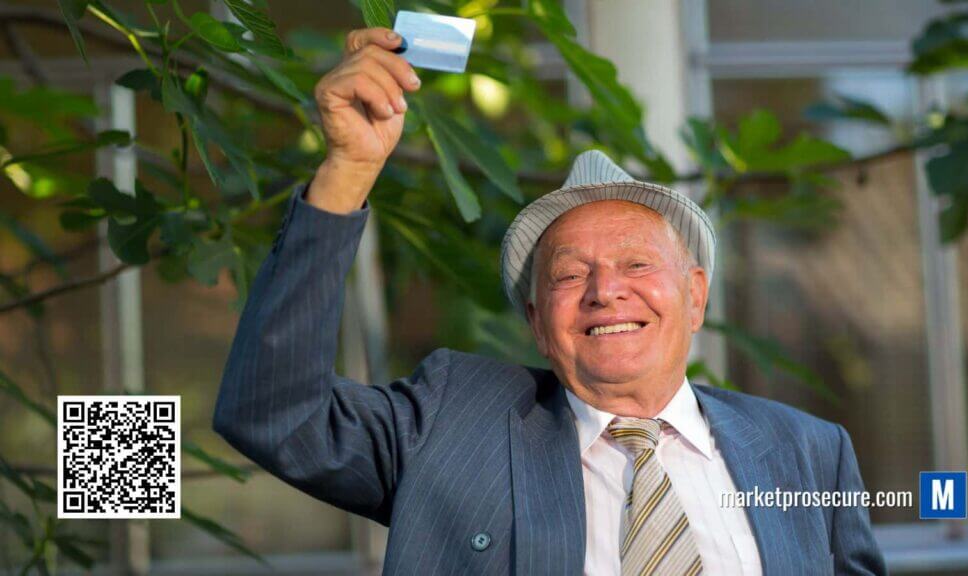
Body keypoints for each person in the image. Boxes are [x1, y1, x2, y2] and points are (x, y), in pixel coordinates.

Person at [214, 26, 886, 576]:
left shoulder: (807, 450)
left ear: (696, 296)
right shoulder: (453, 424)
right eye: (569, 276)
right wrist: (349, 173)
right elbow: (273, 413)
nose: (605, 291)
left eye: (636, 263)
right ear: (538, 323)